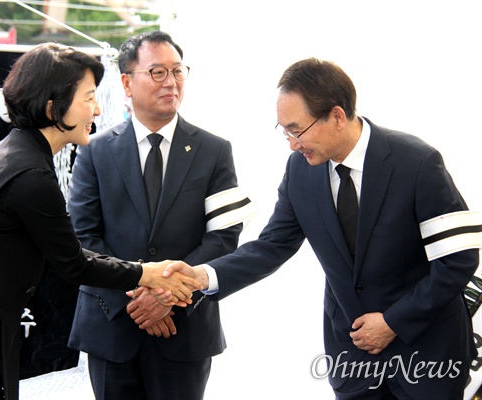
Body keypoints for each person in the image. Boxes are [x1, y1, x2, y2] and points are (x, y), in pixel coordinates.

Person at [0, 42, 200, 400]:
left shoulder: (16, 152)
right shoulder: (29, 175)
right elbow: (73, 262)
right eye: (88, 98)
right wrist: (149, 273)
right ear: (53, 107)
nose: (97, 109)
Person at [166, 58, 482, 399]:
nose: (291, 143)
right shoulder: (301, 170)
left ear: (336, 116)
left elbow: (458, 260)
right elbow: (272, 245)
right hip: (352, 358)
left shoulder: (417, 162)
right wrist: (203, 276)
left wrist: (394, 322)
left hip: (428, 355)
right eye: (283, 131)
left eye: (296, 130)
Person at [67, 31, 255, 400]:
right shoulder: (94, 151)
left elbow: (223, 237)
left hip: (184, 330)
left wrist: (167, 296)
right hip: (113, 324)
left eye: (178, 71)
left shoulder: (214, 151)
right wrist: (135, 297)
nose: (171, 82)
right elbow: (83, 238)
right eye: (157, 72)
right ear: (126, 82)